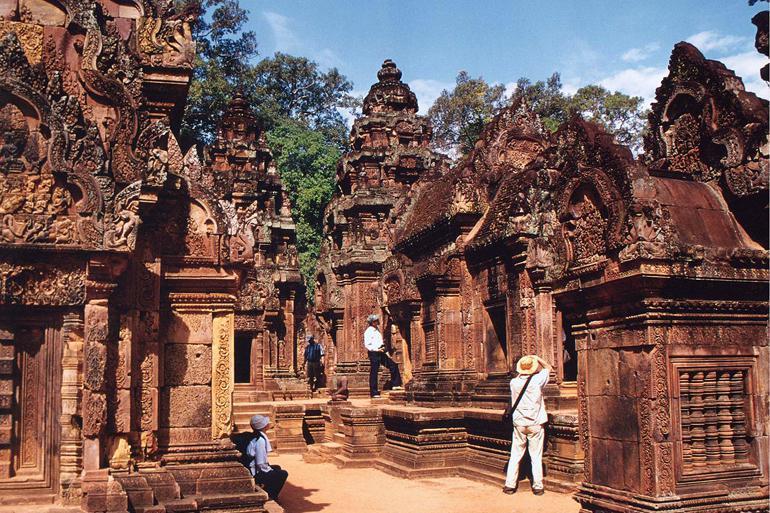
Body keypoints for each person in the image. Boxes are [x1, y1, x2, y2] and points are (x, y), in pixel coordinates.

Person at [503, 354, 551, 496]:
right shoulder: (537, 380)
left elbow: (518, 378)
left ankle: (509, 485)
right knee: (536, 456)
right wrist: (537, 358)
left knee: (515, 455)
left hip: (519, 423)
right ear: (533, 369)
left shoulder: (514, 382)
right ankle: (537, 487)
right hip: (535, 422)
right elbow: (549, 368)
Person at [246, 415, 288, 501]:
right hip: (255, 472)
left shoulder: (256, 436)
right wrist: (270, 470)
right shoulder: (260, 440)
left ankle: (268, 490)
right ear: (264, 426)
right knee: (282, 474)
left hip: (254, 468)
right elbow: (260, 463)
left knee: (277, 468)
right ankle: (271, 495)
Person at [364, 314, 402, 398]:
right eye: (376, 320)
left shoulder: (377, 330)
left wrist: (385, 351)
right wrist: (376, 349)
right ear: (372, 322)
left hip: (381, 352)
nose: (378, 321)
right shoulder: (368, 331)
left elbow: (380, 342)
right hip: (374, 353)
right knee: (374, 372)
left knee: (393, 365)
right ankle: (374, 392)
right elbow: (367, 345)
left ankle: (396, 384)